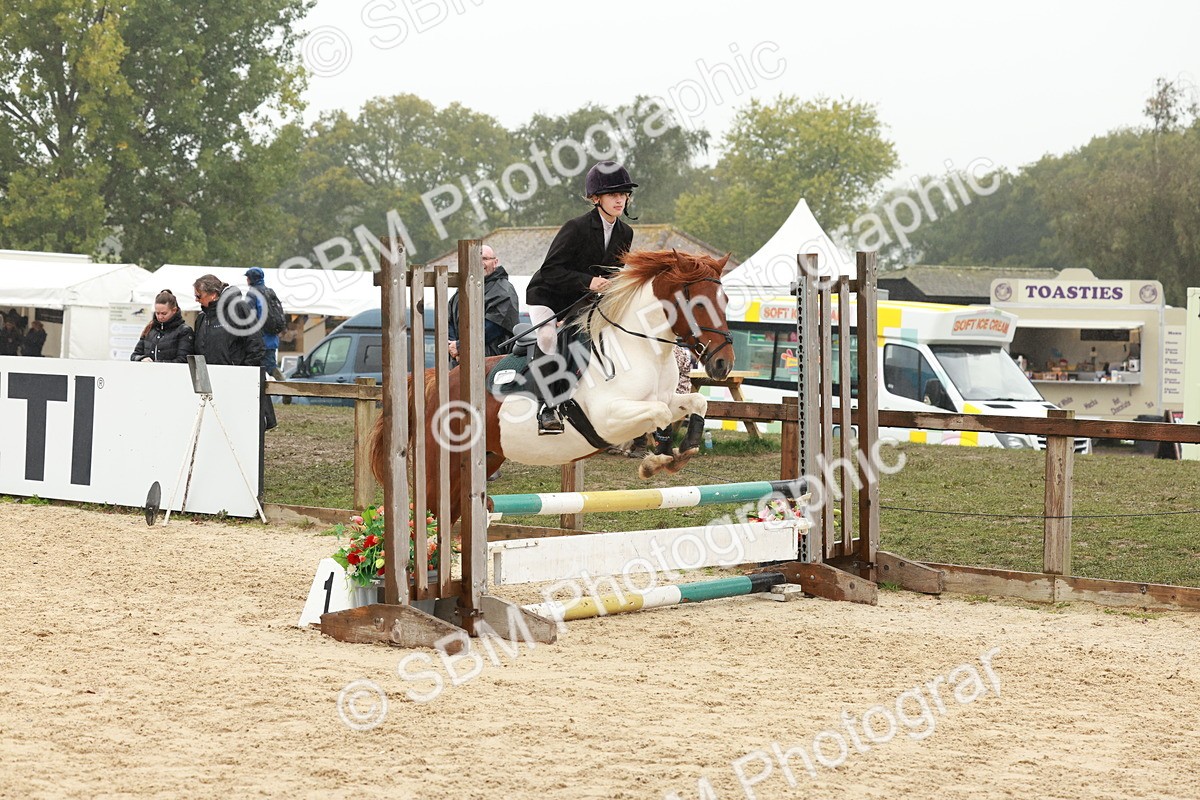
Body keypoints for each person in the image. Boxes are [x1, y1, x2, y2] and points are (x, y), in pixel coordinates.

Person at [525, 160, 637, 433]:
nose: (619, 200)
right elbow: (551, 269)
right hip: (548, 295)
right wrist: (588, 281)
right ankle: (546, 407)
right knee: (549, 337)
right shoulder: (575, 228)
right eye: (613, 195)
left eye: (623, 194)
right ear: (596, 198)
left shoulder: (625, 232)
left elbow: (614, 272)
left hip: (583, 301)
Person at [192, 274, 273, 430]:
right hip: (212, 385)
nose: (196, 299)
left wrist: (241, 372)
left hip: (236, 383)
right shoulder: (202, 318)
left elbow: (256, 345)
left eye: (198, 295)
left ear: (213, 294)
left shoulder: (239, 309)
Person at [447, 244, 520, 365]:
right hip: (458, 361)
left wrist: (461, 346)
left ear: (495, 262)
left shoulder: (503, 290)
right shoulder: (462, 290)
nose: (480, 263)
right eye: (476, 259)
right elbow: (449, 321)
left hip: (491, 364)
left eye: (485, 259)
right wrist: (453, 346)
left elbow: (493, 328)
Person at [244, 267, 286, 380]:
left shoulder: (252, 294)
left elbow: (248, 317)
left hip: (260, 340)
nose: (246, 280)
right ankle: (283, 388)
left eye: (247, 277)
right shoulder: (270, 292)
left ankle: (285, 388)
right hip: (272, 339)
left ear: (251, 279)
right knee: (269, 367)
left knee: (260, 369)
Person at [130, 290, 193, 363]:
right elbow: (135, 355)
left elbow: (183, 359)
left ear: (174, 310)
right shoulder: (150, 329)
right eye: (157, 313)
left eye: (164, 313)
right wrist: (142, 358)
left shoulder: (184, 331)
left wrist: (158, 364)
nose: (160, 317)